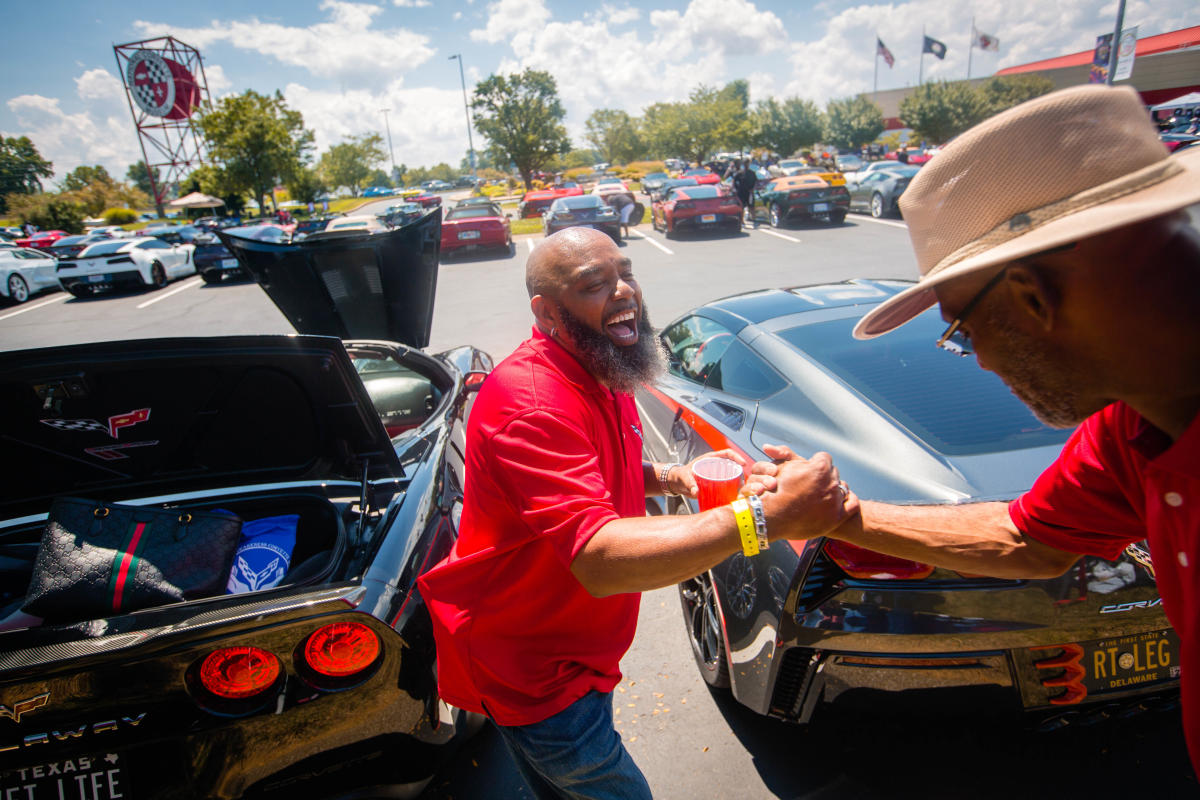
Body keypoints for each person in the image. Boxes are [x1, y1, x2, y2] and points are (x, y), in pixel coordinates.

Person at [753, 85, 1200, 773]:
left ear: (1030, 296)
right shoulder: (1131, 429)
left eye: (959, 329)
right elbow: (1027, 537)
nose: (980, 359)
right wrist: (840, 514)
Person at [417, 227, 857, 800]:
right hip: (535, 673)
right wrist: (766, 520)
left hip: (577, 653)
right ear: (547, 312)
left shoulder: (605, 364)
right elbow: (599, 559)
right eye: (595, 284)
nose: (625, 291)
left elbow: (600, 474)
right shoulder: (532, 403)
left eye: (626, 273)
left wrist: (679, 477)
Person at [732, 161, 757, 227]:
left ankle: (754, 219)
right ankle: (742, 221)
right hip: (741, 192)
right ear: (744, 165)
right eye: (746, 164)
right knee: (742, 207)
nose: (747, 165)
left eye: (748, 164)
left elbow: (756, 182)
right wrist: (736, 190)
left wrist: (753, 189)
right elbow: (734, 182)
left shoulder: (752, 173)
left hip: (749, 192)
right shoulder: (739, 173)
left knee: (751, 206)